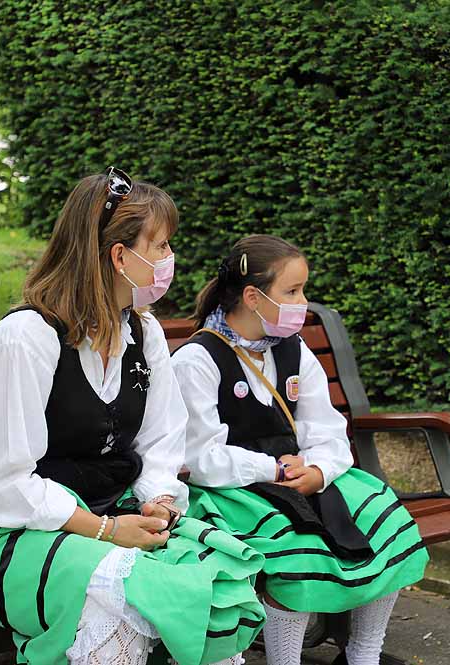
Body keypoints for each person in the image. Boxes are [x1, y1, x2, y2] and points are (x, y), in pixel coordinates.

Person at [0, 170, 264, 665]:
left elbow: (161, 442)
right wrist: (106, 531)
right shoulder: (26, 340)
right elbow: (1, 485)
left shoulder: (142, 335)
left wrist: (157, 503)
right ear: (120, 257)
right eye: (162, 246)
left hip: (100, 509)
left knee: (215, 569)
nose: (171, 260)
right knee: (116, 594)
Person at [171, 235, 428, 665]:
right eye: (292, 292)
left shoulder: (292, 348)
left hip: (296, 475)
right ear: (253, 297)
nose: (303, 302)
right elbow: (200, 457)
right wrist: (273, 470)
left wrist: (318, 470)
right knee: (296, 542)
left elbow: (327, 428)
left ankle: (363, 655)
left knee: (382, 516)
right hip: (233, 487)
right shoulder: (198, 360)